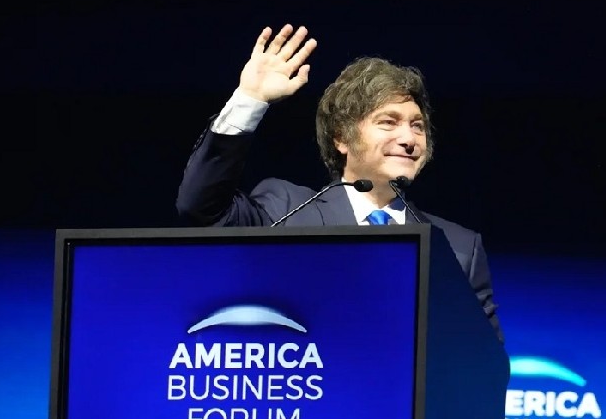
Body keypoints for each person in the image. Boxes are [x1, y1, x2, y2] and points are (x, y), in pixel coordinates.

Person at [176, 24, 503, 342]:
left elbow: (484, 363)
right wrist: (250, 99)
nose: (409, 139)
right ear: (341, 138)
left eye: (417, 126)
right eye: (388, 122)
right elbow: (201, 207)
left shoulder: (458, 248)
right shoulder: (286, 210)